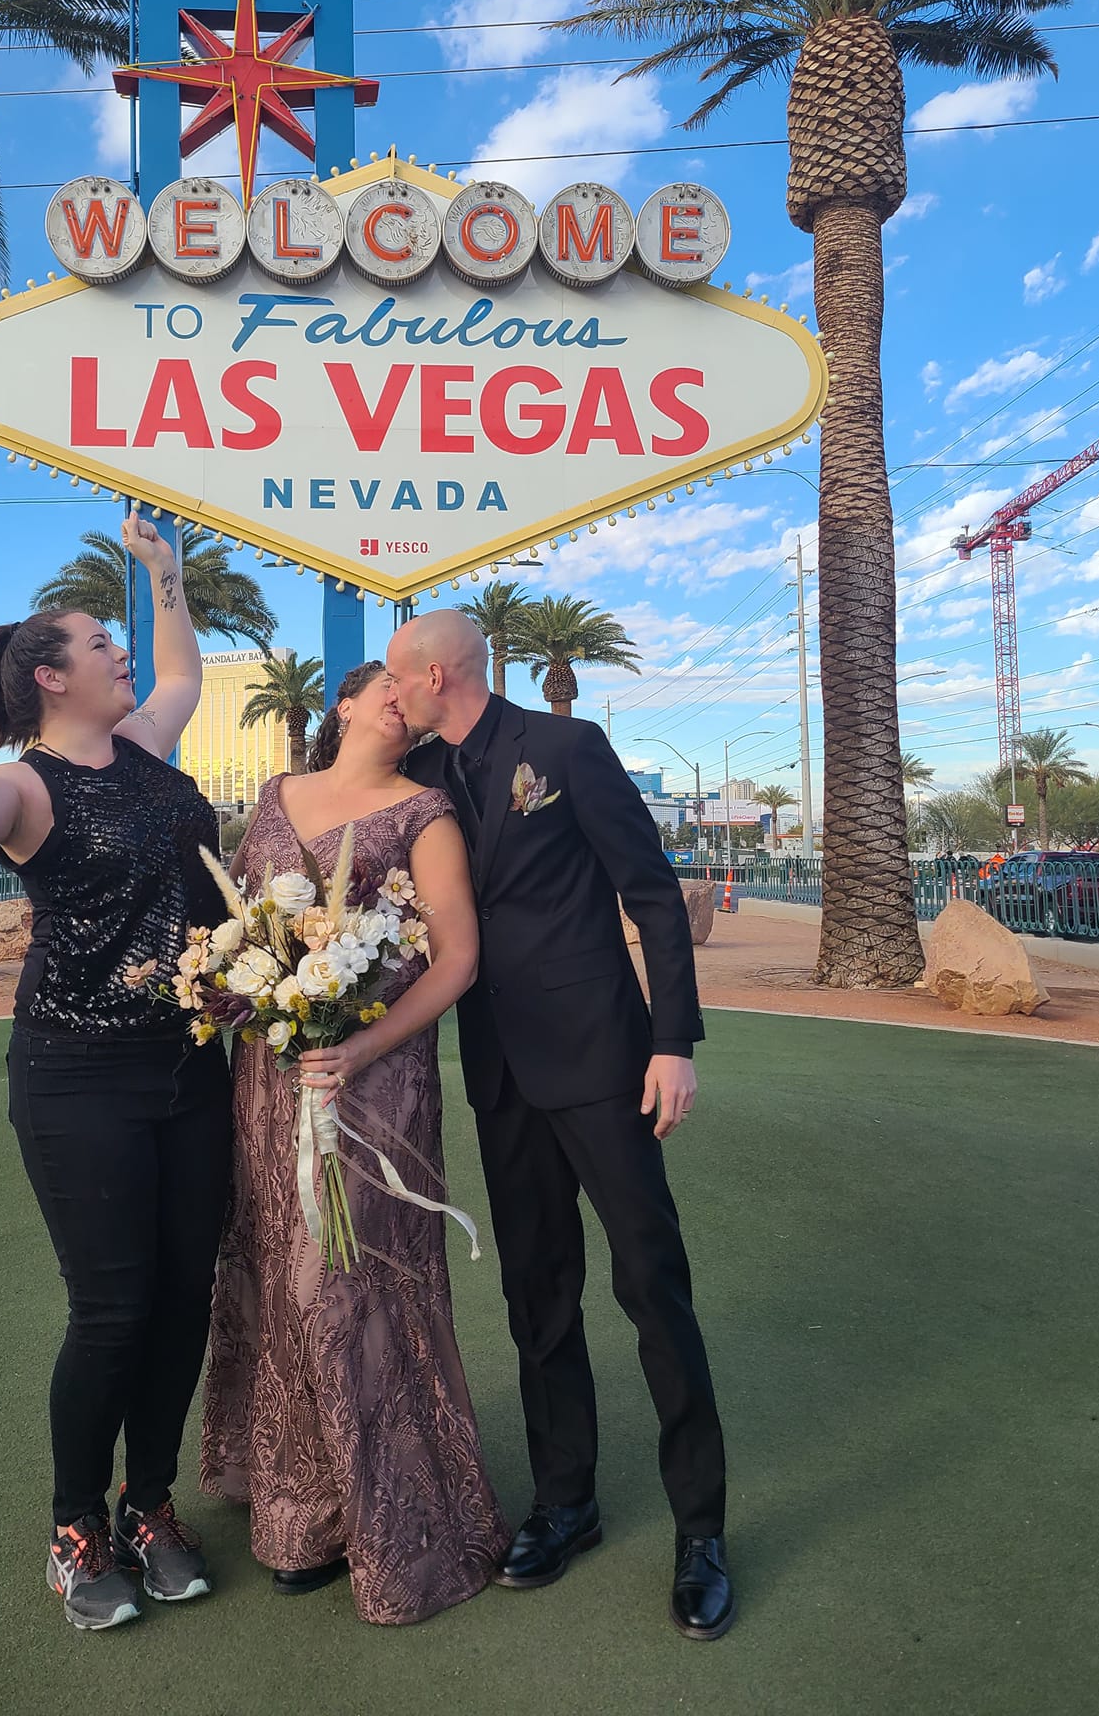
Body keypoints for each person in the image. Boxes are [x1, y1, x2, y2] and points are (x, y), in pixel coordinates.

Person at [0, 513, 230, 1634]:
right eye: (100, 641)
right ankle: (76, 1525)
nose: (121, 651)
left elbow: (185, 665)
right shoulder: (24, 787)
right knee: (112, 1307)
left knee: (186, 1293)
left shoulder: (144, 745)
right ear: (51, 677)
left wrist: (165, 575)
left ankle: (151, 1504)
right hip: (75, 1072)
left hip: (191, 1065)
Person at [388, 610, 733, 1640]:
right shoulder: (425, 783)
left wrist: (674, 1041)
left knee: (650, 1282)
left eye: (402, 681)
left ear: (437, 673)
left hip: (603, 1061)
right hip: (499, 1072)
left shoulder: (567, 748)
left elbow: (653, 895)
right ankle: (565, 1502)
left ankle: (702, 1530)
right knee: (537, 1289)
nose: (394, 695)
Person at [200, 660, 511, 1625]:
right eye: (375, 686)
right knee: (274, 1263)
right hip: (270, 1073)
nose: (394, 700)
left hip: (374, 1084)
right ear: (340, 704)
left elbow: (457, 957)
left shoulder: (425, 816)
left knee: (345, 1280)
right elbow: (242, 925)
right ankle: (299, 1506)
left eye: (404, 696)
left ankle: (390, 1516)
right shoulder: (272, 796)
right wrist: (248, 990)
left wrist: (358, 1041)